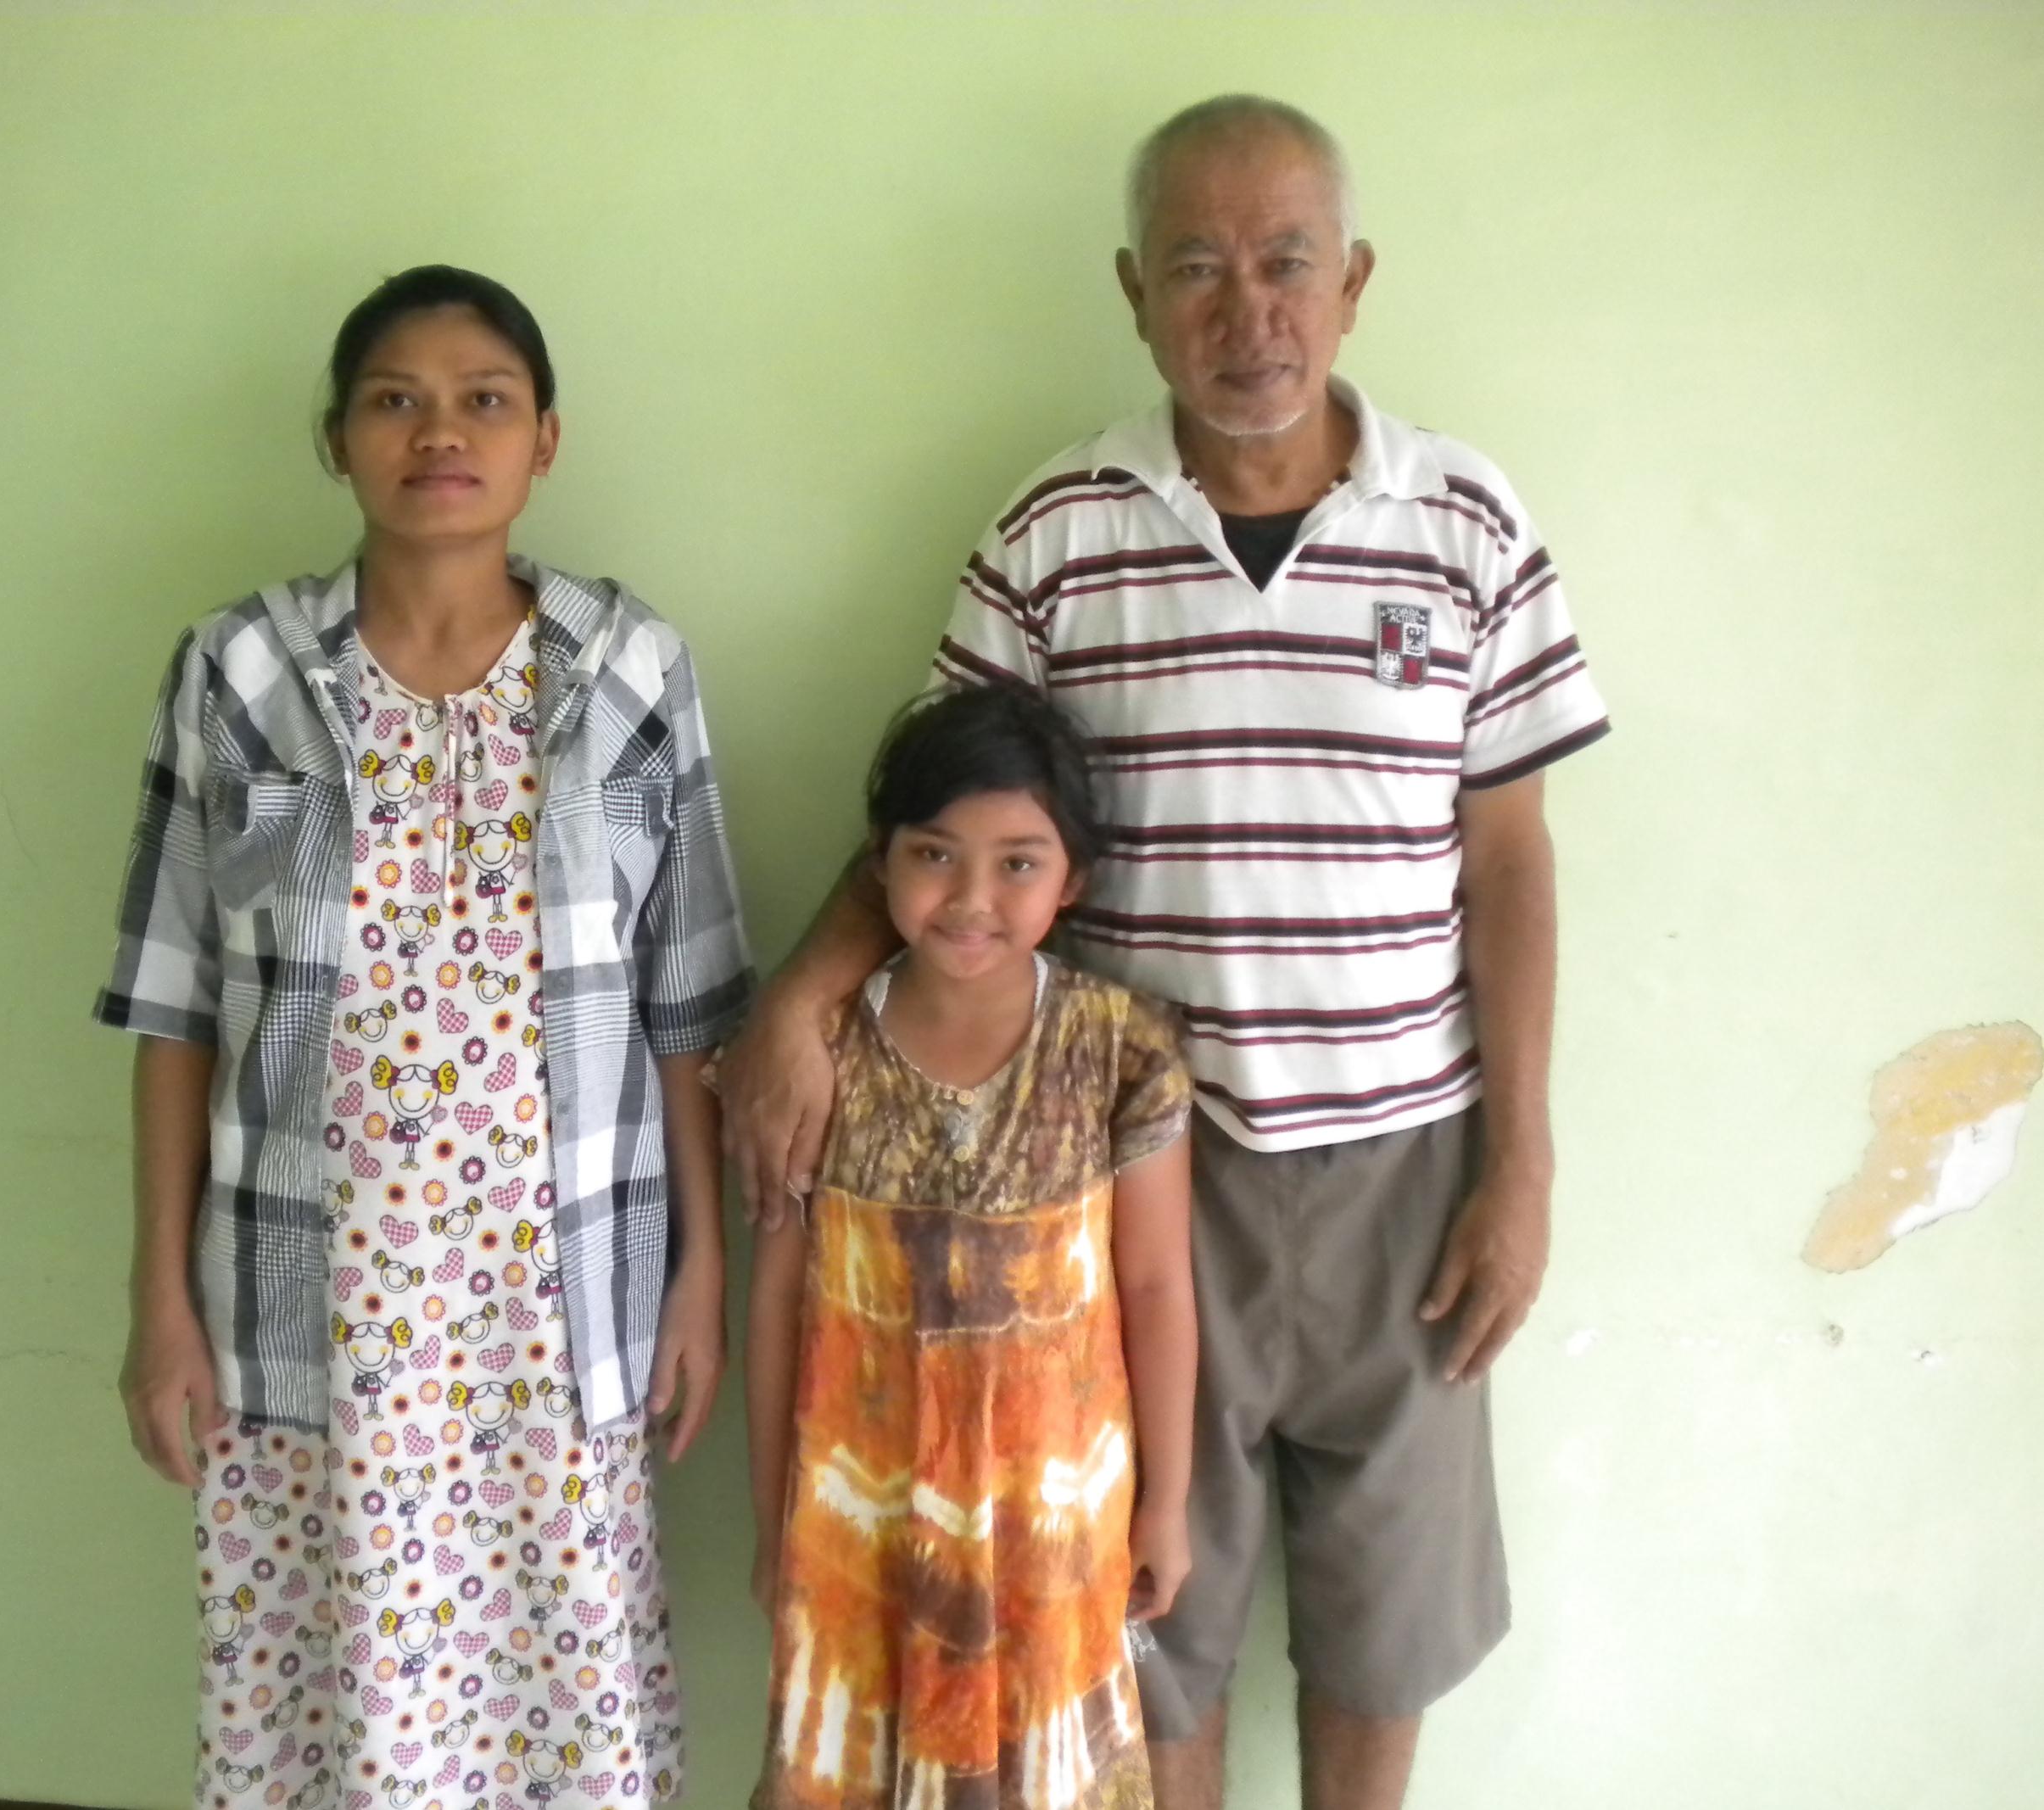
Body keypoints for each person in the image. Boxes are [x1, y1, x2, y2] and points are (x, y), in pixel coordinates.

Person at [720, 98, 1610, 1810]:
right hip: (1131, 1166)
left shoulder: (1467, 520)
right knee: (1145, 1604)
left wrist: (1522, 1161)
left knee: (1387, 1616)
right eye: (1196, 267)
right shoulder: (1055, 528)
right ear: (1134, 293)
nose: (1245, 311)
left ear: (1352, 280)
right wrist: (804, 996)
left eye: (1285, 262)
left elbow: (1510, 861)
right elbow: (943, 813)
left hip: (1404, 1164)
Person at [96, 264, 751, 1810]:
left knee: (557, 1692)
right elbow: (176, 1009)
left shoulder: (632, 669)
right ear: (335, 440)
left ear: (544, 441)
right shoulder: (238, 672)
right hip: (302, 1312)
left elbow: (686, 1007)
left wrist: (701, 1271)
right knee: (336, 1702)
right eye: (394, 399)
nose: (439, 432)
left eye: (483, 401)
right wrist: (157, 1298)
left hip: (558, 1309)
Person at [745, 684, 1197, 1810]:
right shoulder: (820, 1055)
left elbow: (1154, 1283)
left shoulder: (1120, 1050)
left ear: (1071, 879)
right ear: (882, 861)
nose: (971, 898)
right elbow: (780, 1298)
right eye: (934, 855)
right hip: (862, 1533)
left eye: (1017, 863)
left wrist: (1167, 1504)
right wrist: (771, 1524)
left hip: (1058, 1537)